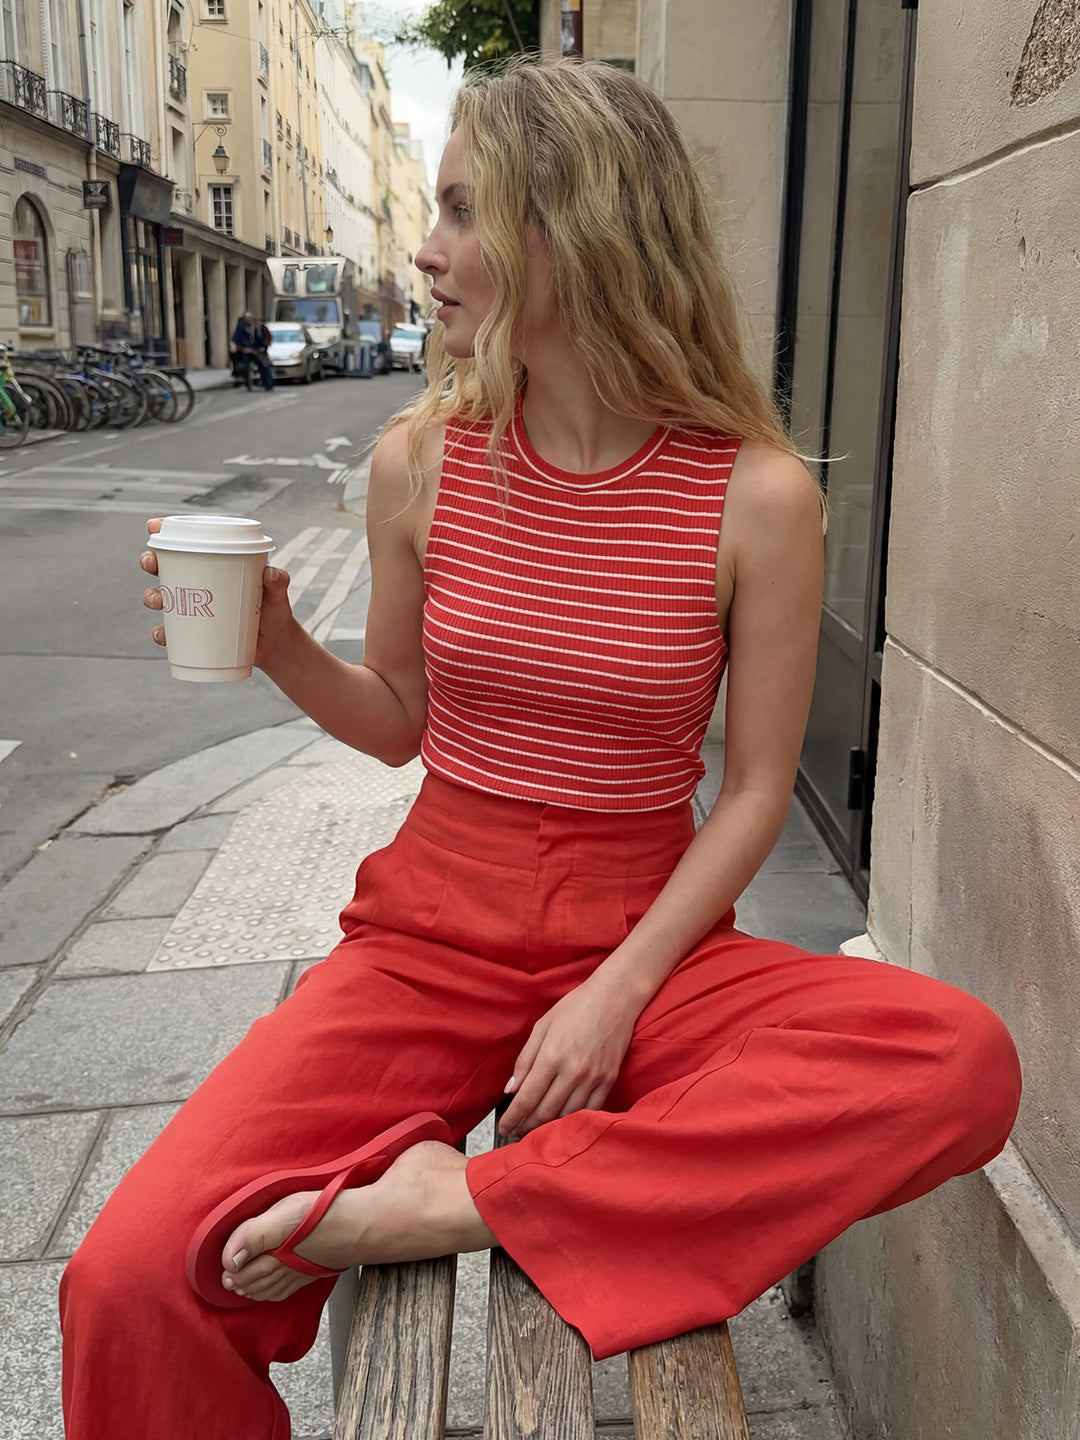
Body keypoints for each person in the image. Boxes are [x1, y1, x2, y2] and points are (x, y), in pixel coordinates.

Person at [60, 58, 1021, 1437]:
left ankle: (462, 1200)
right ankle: (491, 1188)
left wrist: (615, 996)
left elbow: (754, 793)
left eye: (465, 210)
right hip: (427, 935)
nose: (427, 249)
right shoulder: (423, 463)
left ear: (579, 230)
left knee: (957, 1061)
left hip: (647, 934)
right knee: (130, 1279)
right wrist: (278, 643)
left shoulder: (760, 496)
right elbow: (399, 725)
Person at [231, 309, 274, 392]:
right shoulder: (241, 327)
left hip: (256, 351)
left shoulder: (256, 327)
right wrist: (241, 348)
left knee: (264, 366)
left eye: (250, 318)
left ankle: (267, 384)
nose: (248, 319)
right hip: (246, 352)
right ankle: (248, 385)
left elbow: (264, 338)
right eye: (247, 318)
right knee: (246, 368)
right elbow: (237, 340)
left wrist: (263, 346)